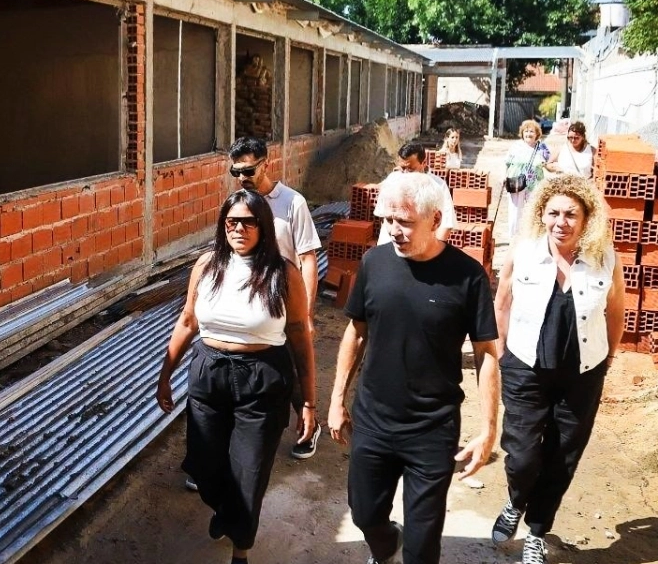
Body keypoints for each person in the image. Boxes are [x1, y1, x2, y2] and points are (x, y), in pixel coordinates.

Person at [327, 172, 499, 564]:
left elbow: (487, 354)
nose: (394, 230)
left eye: (404, 221)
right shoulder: (374, 262)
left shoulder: (468, 277)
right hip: (374, 419)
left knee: (423, 546)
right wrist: (337, 399)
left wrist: (489, 428)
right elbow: (355, 334)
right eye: (388, 220)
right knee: (365, 514)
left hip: (432, 429)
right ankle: (386, 545)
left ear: (435, 220)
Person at [156, 189, 314, 564]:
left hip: (263, 379)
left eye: (248, 221)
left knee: (249, 472)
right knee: (204, 466)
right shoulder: (207, 265)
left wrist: (307, 401)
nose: (239, 229)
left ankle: (240, 550)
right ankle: (225, 512)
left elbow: (300, 337)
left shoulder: (283, 273)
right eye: (231, 221)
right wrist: (165, 375)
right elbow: (187, 321)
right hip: (209, 373)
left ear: (263, 226)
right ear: (222, 224)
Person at [491, 176, 624, 564]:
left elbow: (616, 311)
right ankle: (516, 501)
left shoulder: (605, 258)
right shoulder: (525, 252)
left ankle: (536, 529)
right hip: (526, 367)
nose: (561, 222)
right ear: (542, 215)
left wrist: (609, 359)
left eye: (571, 214)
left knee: (564, 454)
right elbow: (501, 303)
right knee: (522, 454)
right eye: (553, 213)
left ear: (586, 219)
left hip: (582, 373)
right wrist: (501, 356)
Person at [228, 137, 322, 460]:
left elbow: (308, 259)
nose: (243, 178)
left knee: (296, 369)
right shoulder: (239, 203)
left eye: (249, 170)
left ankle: (309, 425)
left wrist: (306, 313)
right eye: (236, 172)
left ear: (266, 163)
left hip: (285, 302)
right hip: (251, 307)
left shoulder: (292, 203)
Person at [376, 142, 456, 244]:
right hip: (389, 248)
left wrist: (433, 254)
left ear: (423, 163)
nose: (405, 174)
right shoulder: (392, 181)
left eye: (410, 169)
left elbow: (446, 224)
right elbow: (383, 215)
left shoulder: (438, 186)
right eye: (402, 168)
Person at [504, 120, 551, 238]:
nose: (528, 134)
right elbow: (506, 162)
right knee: (515, 211)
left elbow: (548, 162)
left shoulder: (542, 147)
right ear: (522, 133)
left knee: (534, 209)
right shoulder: (516, 146)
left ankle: (532, 236)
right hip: (516, 181)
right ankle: (513, 238)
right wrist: (503, 176)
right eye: (526, 131)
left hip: (535, 183)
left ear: (537, 134)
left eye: (532, 131)